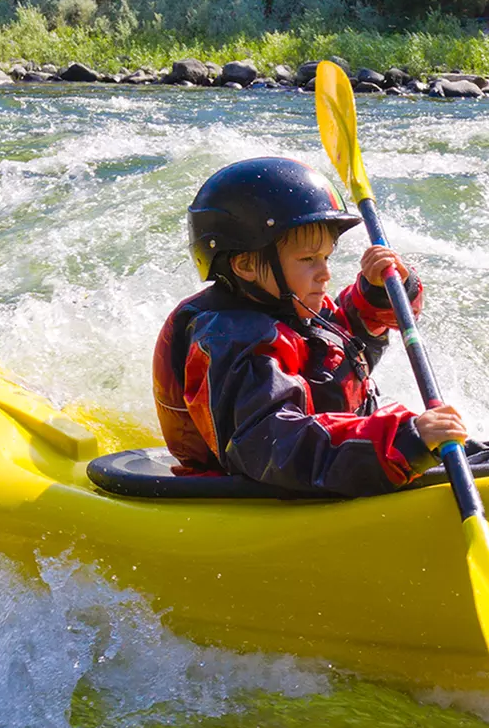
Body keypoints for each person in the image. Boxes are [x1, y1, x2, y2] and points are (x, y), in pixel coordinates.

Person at [152, 156, 467, 497]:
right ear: (244, 264)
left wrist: (378, 295)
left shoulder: (289, 307)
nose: (325, 273)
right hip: (259, 490)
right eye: (307, 260)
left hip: (329, 467)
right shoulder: (232, 340)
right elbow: (274, 444)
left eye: (326, 257)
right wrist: (402, 439)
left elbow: (341, 348)